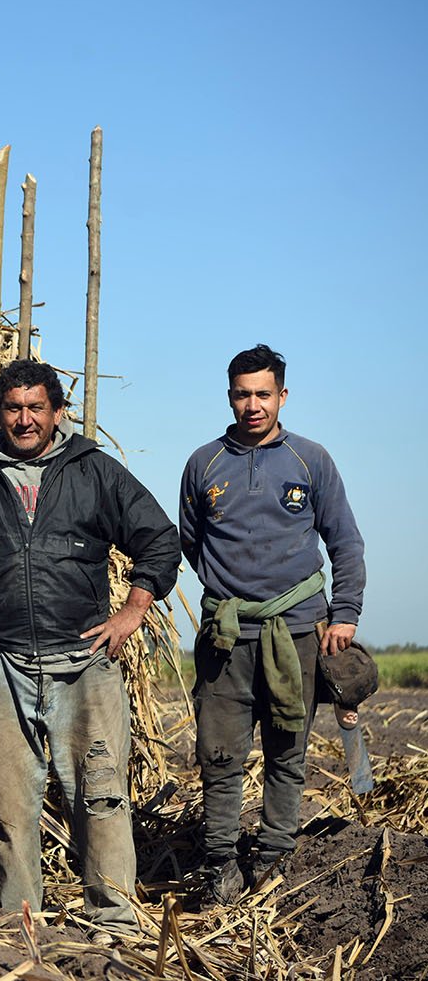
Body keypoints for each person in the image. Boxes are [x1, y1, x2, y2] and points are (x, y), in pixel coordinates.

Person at [0, 360, 179, 940]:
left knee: (102, 798)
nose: (24, 420)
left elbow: (160, 540)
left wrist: (133, 610)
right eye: (13, 409)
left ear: (58, 412)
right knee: (7, 807)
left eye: (36, 408)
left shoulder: (93, 471)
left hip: (84, 664)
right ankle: (20, 930)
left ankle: (114, 926)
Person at [180, 344, 365, 904]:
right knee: (218, 755)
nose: (253, 405)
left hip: (299, 632)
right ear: (229, 397)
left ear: (282, 396)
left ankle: (274, 857)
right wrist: (232, 594)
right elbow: (192, 542)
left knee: (288, 751)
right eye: (243, 394)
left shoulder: (311, 460)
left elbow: (345, 541)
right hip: (226, 636)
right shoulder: (204, 463)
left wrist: (345, 614)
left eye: (264, 394)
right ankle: (220, 865)